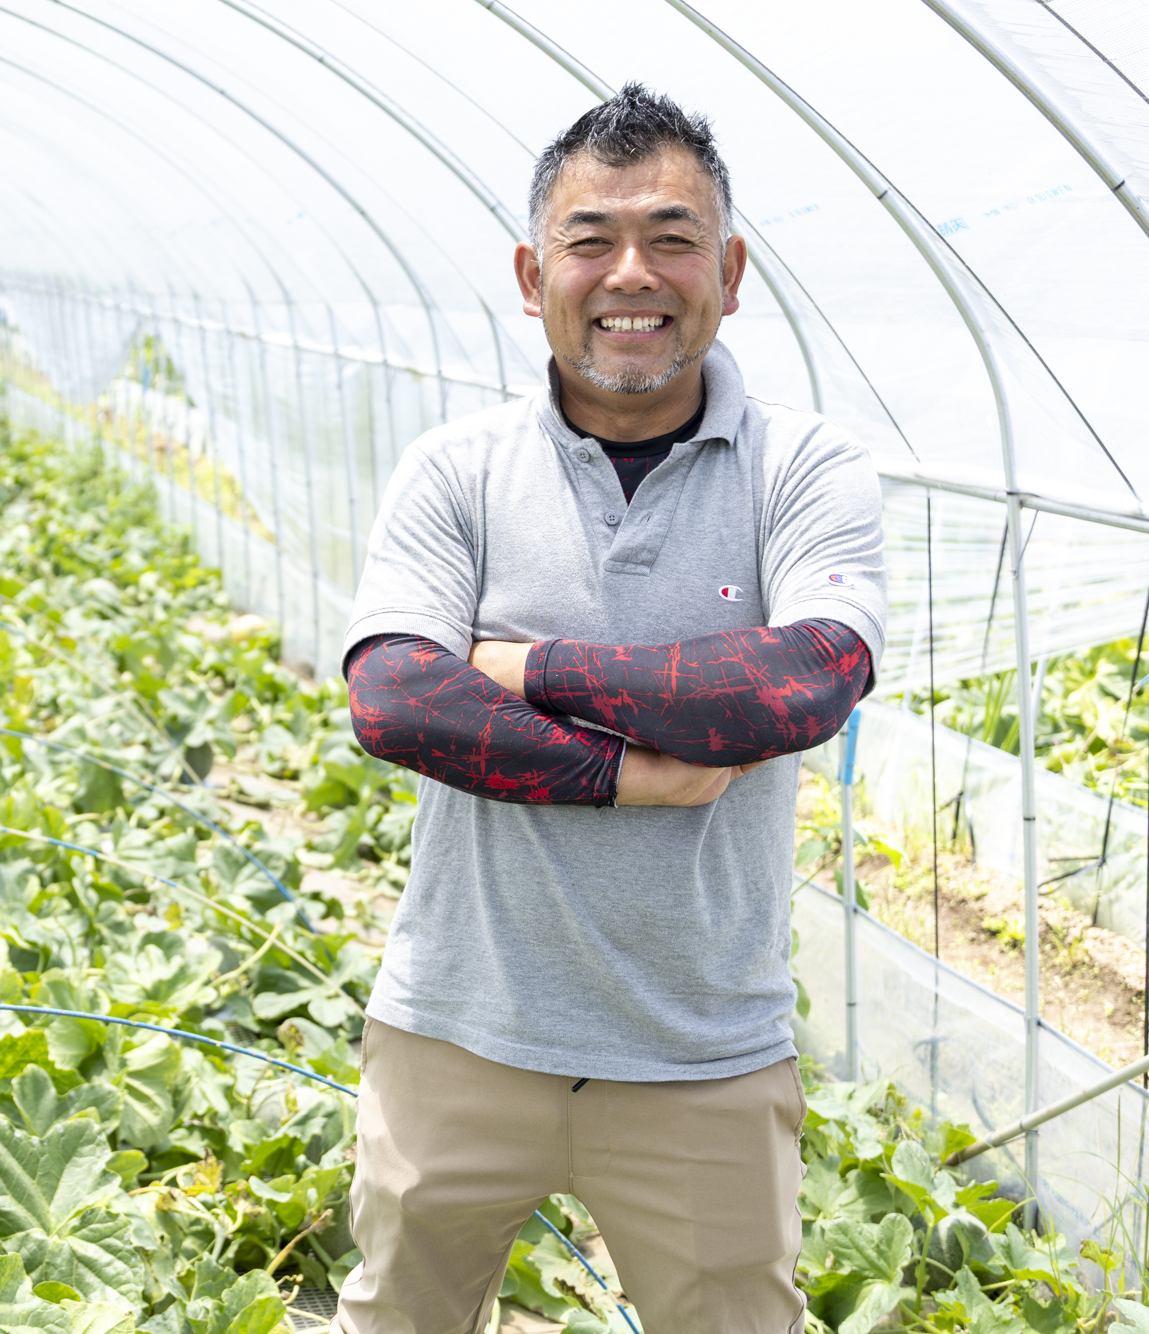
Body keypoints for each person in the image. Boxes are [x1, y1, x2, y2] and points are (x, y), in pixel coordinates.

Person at [335, 84, 885, 1334]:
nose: (630, 273)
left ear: (728, 274)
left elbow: (800, 680)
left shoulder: (804, 466)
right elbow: (397, 697)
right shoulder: (455, 468)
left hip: (701, 1053)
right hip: (458, 1033)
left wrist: (517, 666)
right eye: (589, 240)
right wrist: (632, 773)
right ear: (532, 276)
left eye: (671, 238)